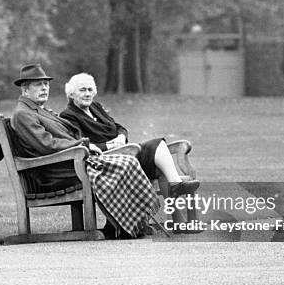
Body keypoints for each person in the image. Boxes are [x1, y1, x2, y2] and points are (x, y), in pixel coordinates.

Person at [10, 63, 159, 238]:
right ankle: (124, 226)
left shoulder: (37, 110)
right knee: (123, 163)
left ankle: (127, 224)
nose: (44, 88)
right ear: (25, 90)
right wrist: (82, 145)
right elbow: (47, 145)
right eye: (38, 85)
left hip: (70, 163)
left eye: (46, 84)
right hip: (55, 172)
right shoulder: (23, 114)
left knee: (127, 161)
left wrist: (85, 147)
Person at [59, 72, 199, 198]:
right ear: (71, 94)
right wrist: (109, 145)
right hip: (107, 162)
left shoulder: (96, 107)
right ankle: (176, 185)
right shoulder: (69, 115)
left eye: (90, 90)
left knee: (160, 161)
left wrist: (120, 137)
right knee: (156, 145)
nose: (87, 94)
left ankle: (177, 200)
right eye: (82, 90)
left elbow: (119, 127)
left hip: (124, 154)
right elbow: (80, 143)